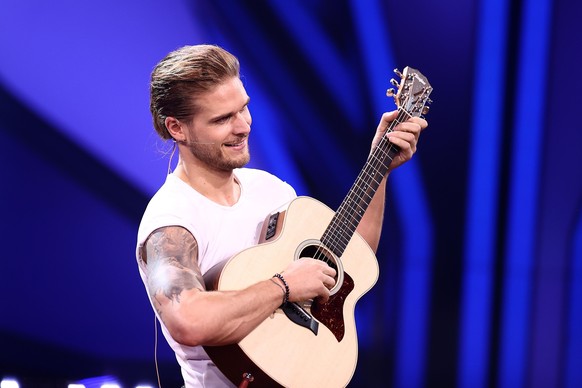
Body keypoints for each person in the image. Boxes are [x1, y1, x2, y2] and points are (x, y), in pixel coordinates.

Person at [136, 44, 427, 387]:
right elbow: (187, 320)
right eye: (222, 119)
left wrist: (380, 169)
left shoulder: (269, 189)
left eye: (243, 108)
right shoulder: (170, 221)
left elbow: (350, 261)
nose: (243, 126)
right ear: (176, 128)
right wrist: (285, 285)